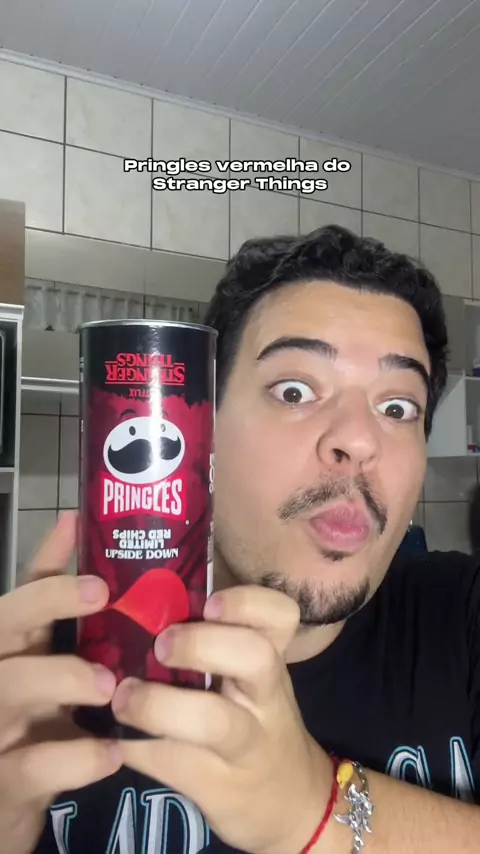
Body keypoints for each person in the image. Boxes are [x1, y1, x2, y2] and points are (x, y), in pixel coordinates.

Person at [1, 224, 480, 854]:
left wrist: (315, 810)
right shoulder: (42, 685)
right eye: (294, 390)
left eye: (398, 408)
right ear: (202, 431)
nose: (360, 441)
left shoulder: (465, 615)